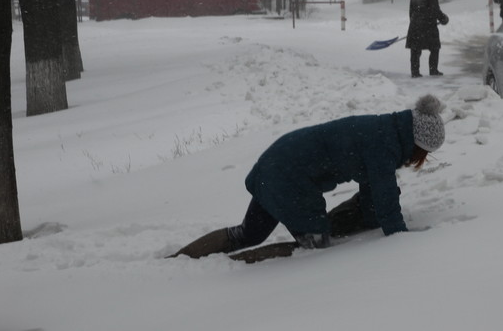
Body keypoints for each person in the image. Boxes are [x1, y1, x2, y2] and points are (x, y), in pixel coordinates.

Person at [168, 94, 446, 259]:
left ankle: (182, 260)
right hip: (290, 177)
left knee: (249, 233)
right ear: (417, 141)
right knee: (313, 251)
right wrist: (402, 239)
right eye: (423, 152)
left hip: (278, 162)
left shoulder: (384, 130)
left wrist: (371, 217)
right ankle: (239, 269)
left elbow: (374, 190)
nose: (420, 159)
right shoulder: (383, 145)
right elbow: (384, 199)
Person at [407, 0, 449, 78]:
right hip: (429, 28)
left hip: (415, 28)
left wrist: (416, 24)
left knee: (415, 50)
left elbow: (411, 14)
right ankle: (433, 70)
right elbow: (436, 11)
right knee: (434, 48)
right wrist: (444, 19)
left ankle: (415, 71)